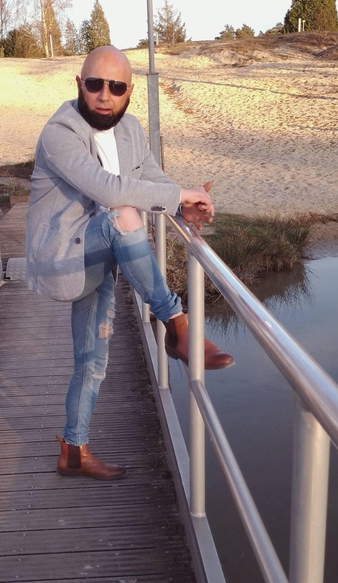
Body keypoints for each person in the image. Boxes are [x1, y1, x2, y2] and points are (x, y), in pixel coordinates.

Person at [26, 45, 233, 481]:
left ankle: (74, 451)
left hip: (106, 253)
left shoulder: (131, 130)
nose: (104, 95)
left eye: (116, 87)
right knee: (123, 212)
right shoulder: (59, 133)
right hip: (68, 255)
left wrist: (184, 204)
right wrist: (176, 197)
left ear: (129, 91)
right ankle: (176, 324)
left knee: (93, 360)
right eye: (94, 84)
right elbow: (108, 189)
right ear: (79, 84)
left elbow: (152, 179)